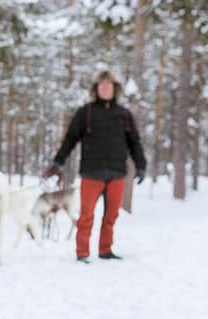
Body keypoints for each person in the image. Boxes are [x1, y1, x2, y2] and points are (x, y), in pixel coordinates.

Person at [45, 70, 147, 263]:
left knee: (111, 215)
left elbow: (135, 142)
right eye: (102, 85)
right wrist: (57, 162)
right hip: (92, 173)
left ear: (115, 89)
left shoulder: (124, 115)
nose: (105, 88)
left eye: (109, 85)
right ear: (96, 89)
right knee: (86, 215)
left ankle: (105, 250)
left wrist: (141, 165)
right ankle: (82, 252)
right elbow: (70, 139)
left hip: (117, 173)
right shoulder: (86, 113)